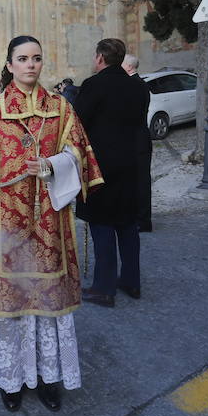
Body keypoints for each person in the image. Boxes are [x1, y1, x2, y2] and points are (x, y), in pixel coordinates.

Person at [0, 36, 103, 413]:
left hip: (51, 225)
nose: (30, 65)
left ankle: (50, 379)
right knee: (9, 308)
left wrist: (52, 166)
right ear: (10, 64)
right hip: (4, 228)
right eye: (23, 59)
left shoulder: (61, 109)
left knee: (48, 307)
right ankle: (10, 381)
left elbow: (79, 155)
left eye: (36, 58)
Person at [74, 38, 148, 308]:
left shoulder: (94, 85)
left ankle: (104, 288)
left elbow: (78, 123)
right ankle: (131, 281)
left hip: (100, 164)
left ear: (100, 58)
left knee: (102, 224)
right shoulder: (138, 87)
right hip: (130, 162)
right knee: (127, 224)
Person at [121, 54, 153, 232]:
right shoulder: (137, 84)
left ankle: (142, 220)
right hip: (138, 137)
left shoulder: (134, 85)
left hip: (136, 139)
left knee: (140, 181)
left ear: (129, 67)